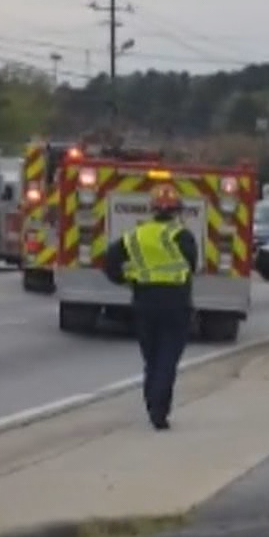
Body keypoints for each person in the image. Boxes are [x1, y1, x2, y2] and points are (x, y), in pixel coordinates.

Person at [101, 184, 198, 431]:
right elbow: (192, 266)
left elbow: (110, 262)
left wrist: (128, 280)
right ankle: (159, 410)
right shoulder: (182, 236)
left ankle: (152, 404)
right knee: (168, 358)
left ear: (152, 209)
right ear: (177, 211)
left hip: (144, 301)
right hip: (176, 303)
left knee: (151, 358)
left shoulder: (135, 236)